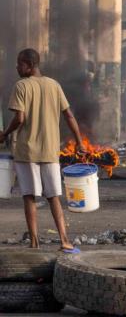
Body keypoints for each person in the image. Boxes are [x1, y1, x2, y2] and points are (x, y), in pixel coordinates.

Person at [0, 49, 83, 252]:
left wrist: (5, 133)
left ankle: (34, 242)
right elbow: (69, 115)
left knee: (29, 196)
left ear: (29, 65)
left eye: (20, 63)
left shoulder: (21, 86)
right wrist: (79, 142)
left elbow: (19, 118)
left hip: (27, 151)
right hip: (50, 150)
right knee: (53, 196)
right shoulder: (54, 85)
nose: (17, 67)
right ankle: (64, 240)